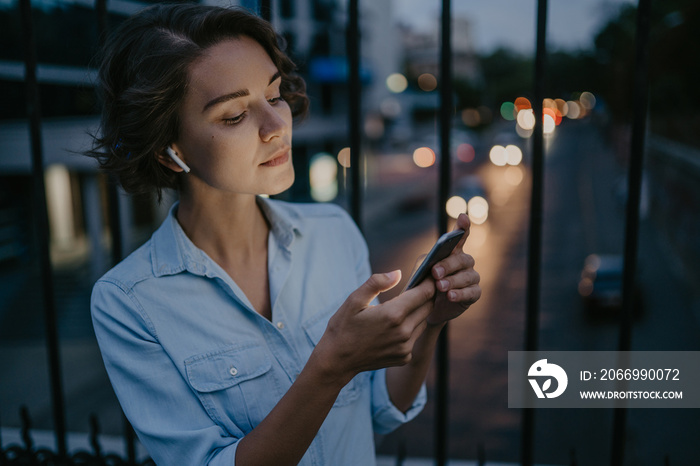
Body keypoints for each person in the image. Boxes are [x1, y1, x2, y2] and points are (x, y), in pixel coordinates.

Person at [88, 4, 481, 465]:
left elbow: (381, 410)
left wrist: (429, 322)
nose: (278, 126)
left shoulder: (334, 232)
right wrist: (330, 366)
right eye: (234, 115)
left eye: (274, 96)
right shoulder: (128, 302)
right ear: (168, 149)